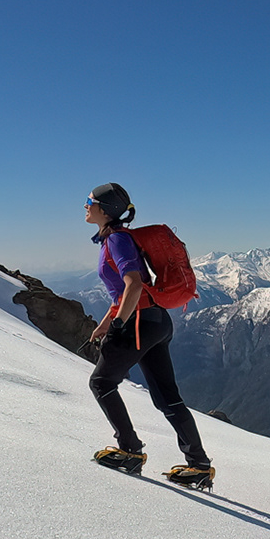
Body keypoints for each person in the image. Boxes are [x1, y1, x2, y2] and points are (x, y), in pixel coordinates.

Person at [83, 182, 215, 488]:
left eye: (89, 202)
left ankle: (130, 450)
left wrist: (119, 323)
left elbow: (133, 284)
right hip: (156, 320)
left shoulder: (116, 240)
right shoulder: (117, 238)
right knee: (167, 397)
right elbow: (126, 291)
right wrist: (106, 322)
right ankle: (199, 465)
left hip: (139, 322)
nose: (85, 206)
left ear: (105, 209)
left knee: (101, 383)